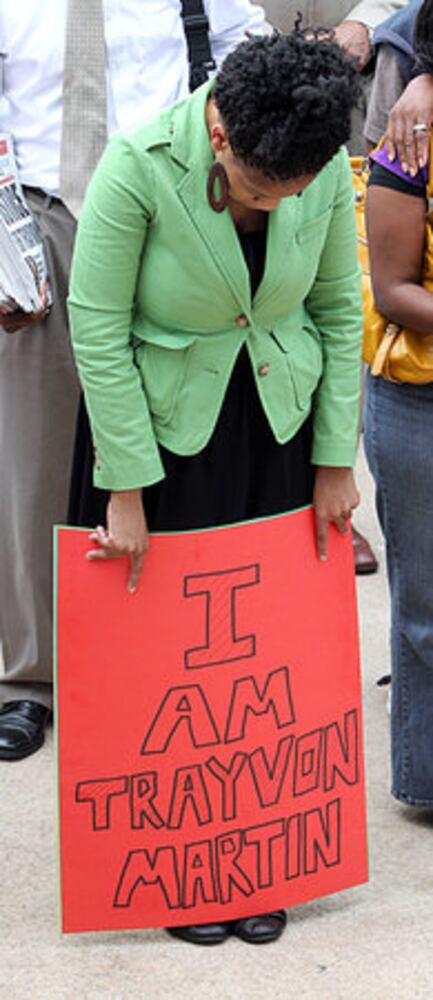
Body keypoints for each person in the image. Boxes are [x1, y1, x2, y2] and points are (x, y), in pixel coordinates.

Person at [67, 30, 363, 945]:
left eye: (303, 191)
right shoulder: (135, 164)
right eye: (266, 194)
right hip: (160, 434)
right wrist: (125, 489)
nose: (288, 205)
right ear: (222, 136)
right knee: (169, 673)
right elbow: (97, 325)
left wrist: (332, 460)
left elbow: (339, 305)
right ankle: (182, 873)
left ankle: (255, 857)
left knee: (259, 666)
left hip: (275, 422)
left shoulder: (311, 159)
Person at [0, 0, 266, 761]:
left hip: (168, 214)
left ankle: (158, 663)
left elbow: (248, 52)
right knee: (33, 461)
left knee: (173, 441)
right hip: (38, 215)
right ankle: (30, 681)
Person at [364, 0, 433, 807]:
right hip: (419, 399)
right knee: (424, 609)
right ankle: (423, 779)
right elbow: (391, 291)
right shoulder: (410, 138)